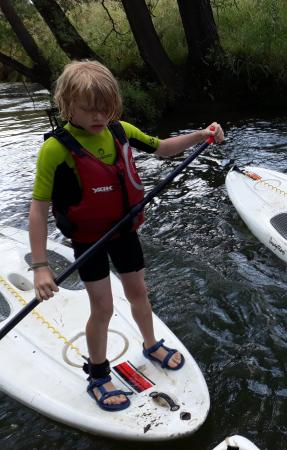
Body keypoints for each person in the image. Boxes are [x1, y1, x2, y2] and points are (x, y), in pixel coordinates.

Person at [28, 60, 224, 411]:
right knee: (102, 308)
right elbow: (39, 209)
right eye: (89, 109)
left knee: (139, 295)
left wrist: (202, 135)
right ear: (67, 104)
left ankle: (151, 344)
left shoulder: (119, 131)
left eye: (105, 108)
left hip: (124, 232)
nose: (98, 116)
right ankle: (99, 376)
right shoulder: (55, 149)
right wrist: (41, 266)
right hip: (90, 241)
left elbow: (163, 147)